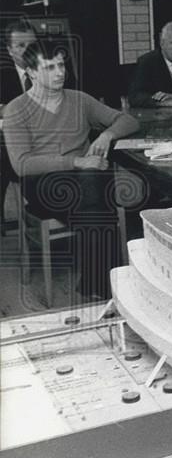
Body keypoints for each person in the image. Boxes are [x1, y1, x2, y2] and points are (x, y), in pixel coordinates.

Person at [3, 41, 140, 301]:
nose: (60, 72)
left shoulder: (79, 100)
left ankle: (98, 290)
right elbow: (21, 164)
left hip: (87, 184)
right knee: (97, 188)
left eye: (62, 65)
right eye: (50, 67)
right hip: (43, 183)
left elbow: (130, 120)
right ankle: (111, 288)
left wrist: (107, 135)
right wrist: (77, 162)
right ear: (31, 72)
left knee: (94, 192)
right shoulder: (16, 109)